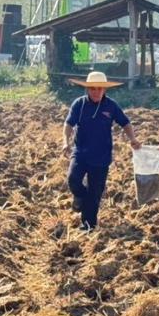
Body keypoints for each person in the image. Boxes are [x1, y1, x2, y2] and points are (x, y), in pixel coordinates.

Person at [62, 70, 142, 232]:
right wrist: (66, 142)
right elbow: (68, 124)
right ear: (87, 89)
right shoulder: (79, 104)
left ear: (105, 89)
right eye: (93, 89)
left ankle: (88, 225)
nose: (96, 92)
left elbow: (125, 123)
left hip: (102, 156)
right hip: (81, 152)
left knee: (95, 192)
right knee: (73, 179)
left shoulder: (111, 106)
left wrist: (132, 139)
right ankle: (81, 197)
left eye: (100, 89)